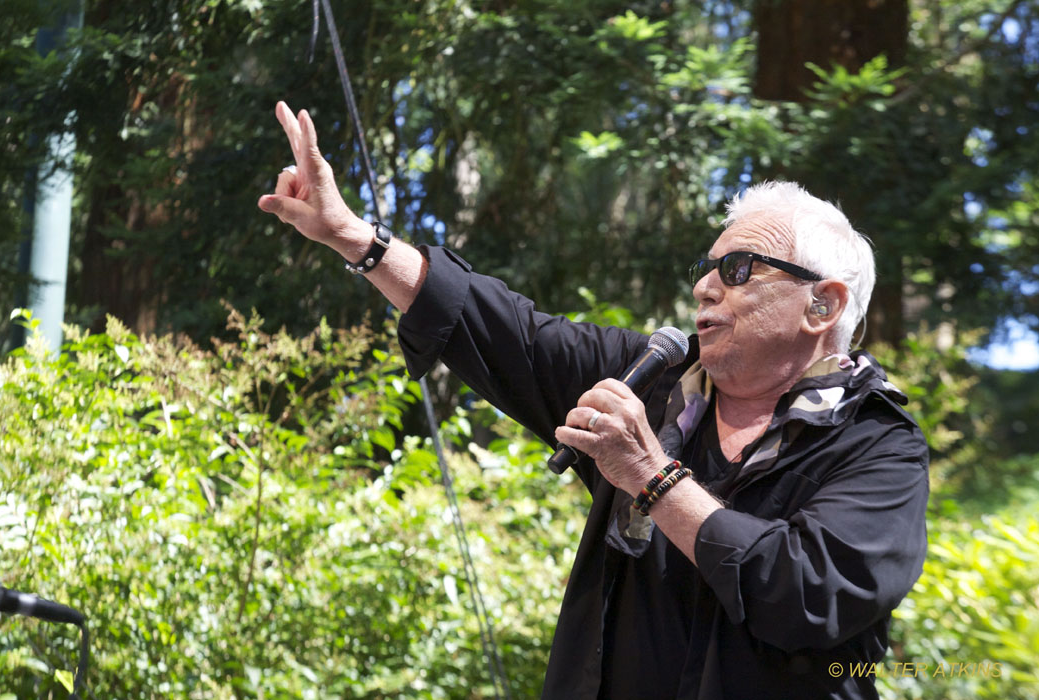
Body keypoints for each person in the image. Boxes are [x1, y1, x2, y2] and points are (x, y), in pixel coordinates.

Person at [258, 101, 929, 700]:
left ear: (823, 303)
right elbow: (507, 332)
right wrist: (354, 236)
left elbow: (807, 595)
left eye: (738, 270)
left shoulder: (879, 443)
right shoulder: (650, 379)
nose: (704, 288)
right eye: (706, 268)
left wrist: (651, 476)